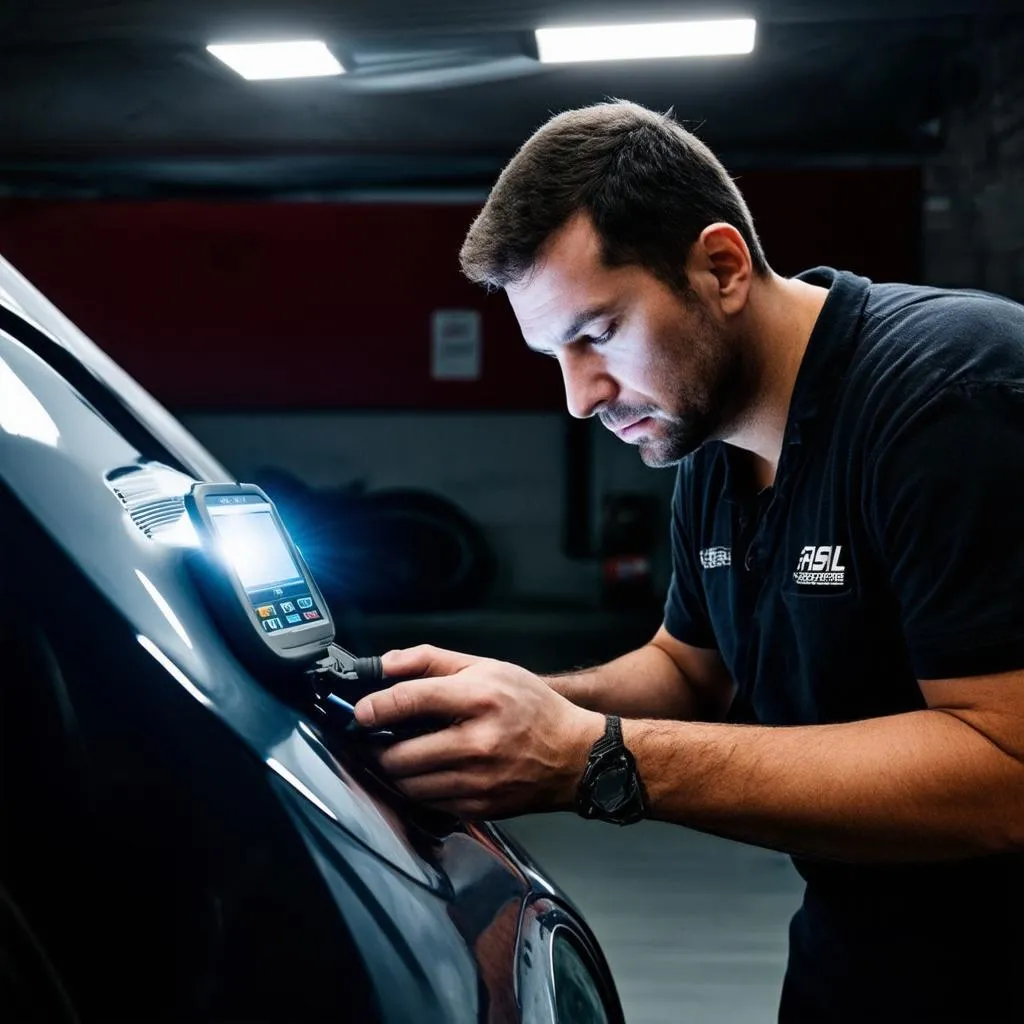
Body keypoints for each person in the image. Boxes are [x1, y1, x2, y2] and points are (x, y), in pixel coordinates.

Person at [353, 100, 1024, 1021]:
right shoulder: (712, 438)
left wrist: (593, 758)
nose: (580, 399)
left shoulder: (955, 395)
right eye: (554, 354)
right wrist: (513, 703)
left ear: (721, 266)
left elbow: (1005, 770)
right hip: (860, 955)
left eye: (595, 334)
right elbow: (687, 671)